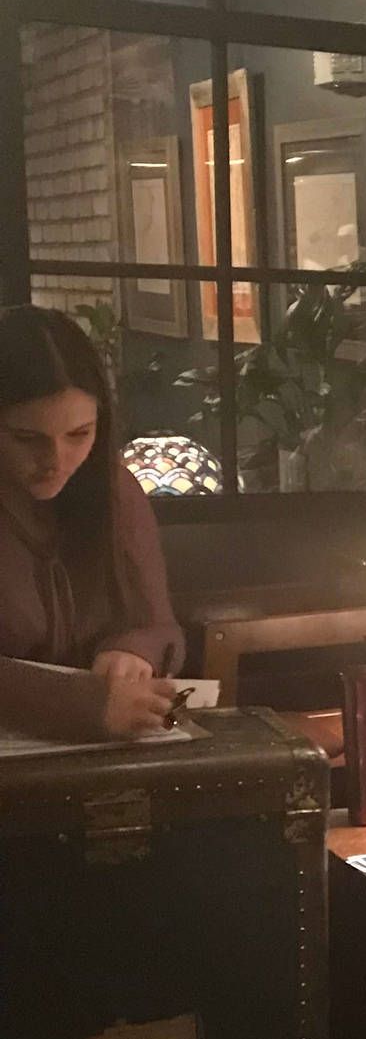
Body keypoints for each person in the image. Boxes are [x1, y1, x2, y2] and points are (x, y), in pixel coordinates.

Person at [0, 305, 183, 741]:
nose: (56, 461)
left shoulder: (113, 490)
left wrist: (134, 652)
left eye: (79, 435)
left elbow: (160, 627)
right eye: (27, 439)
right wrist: (87, 705)